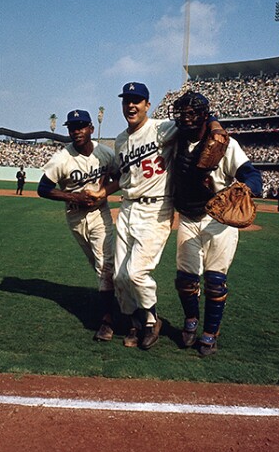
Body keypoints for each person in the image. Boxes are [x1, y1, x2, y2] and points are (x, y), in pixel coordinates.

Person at [89, 82, 224, 350]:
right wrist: (103, 191)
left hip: (157, 207)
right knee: (118, 276)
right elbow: (124, 177)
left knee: (137, 272)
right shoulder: (119, 140)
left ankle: (152, 321)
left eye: (137, 100)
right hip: (127, 207)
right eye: (127, 99)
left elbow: (198, 115)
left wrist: (216, 125)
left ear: (147, 105)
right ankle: (135, 323)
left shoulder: (162, 128)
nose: (131, 105)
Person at [169, 91, 262, 356]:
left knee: (214, 281)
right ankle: (190, 320)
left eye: (191, 114)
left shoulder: (225, 144)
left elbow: (251, 174)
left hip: (218, 219)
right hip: (188, 216)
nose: (185, 119)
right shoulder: (176, 141)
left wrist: (245, 188)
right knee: (185, 279)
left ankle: (210, 332)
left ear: (203, 116)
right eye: (181, 113)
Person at [38, 110, 118, 342]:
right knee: (98, 265)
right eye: (72, 127)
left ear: (91, 129)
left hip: (99, 213)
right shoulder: (62, 158)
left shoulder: (105, 153)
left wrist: (102, 192)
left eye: (81, 126)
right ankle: (118, 303)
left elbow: (119, 176)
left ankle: (107, 321)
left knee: (106, 266)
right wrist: (74, 198)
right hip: (75, 216)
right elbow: (43, 189)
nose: (77, 131)